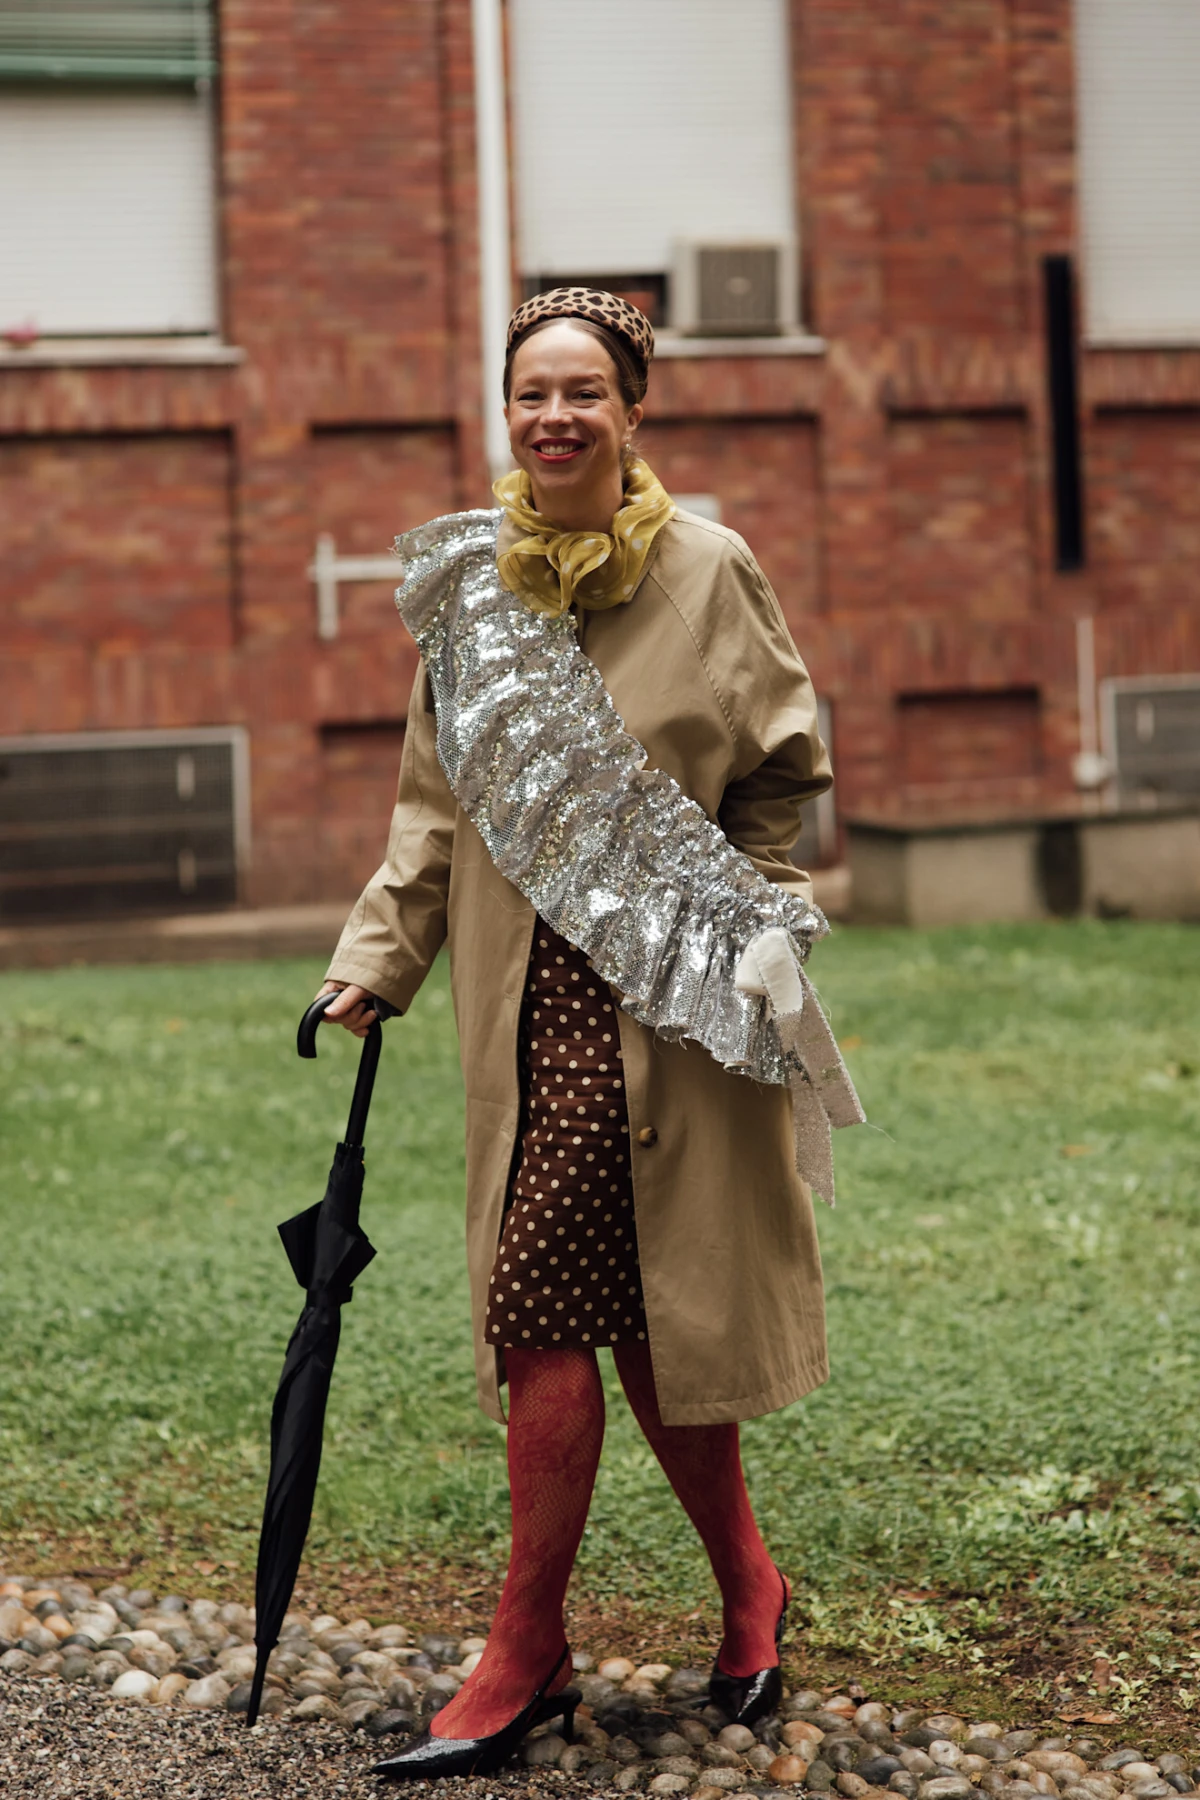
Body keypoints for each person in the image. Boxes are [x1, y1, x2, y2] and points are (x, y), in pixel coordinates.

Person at [317, 287, 852, 1781]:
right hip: (527, 1010)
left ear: (634, 413)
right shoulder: (475, 595)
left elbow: (779, 774)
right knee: (543, 1311)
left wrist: (757, 921)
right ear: (510, 417)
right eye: (530, 394)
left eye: (584, 393)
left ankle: (736, 1594)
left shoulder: (710, 568)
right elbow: (435, 808)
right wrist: (379, 958)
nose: (555, 417)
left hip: (674, 1011)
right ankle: (529, 1647)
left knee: (658, 1325)